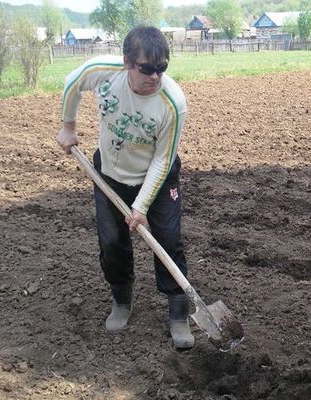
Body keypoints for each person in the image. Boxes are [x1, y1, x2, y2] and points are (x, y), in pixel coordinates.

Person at [56, 26, 194, 349]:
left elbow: (162, 161)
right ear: (128, 62)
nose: (156, 77)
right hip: (110, 174)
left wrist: (141, 206)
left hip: (156, 180)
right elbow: (73, 83)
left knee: (169, 241)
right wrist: (68, 126)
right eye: (147, 69)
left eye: (162, 68)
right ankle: (121, 299)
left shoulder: (173, 104)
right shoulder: (104, 73)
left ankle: (179, 312)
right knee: (112, 241)